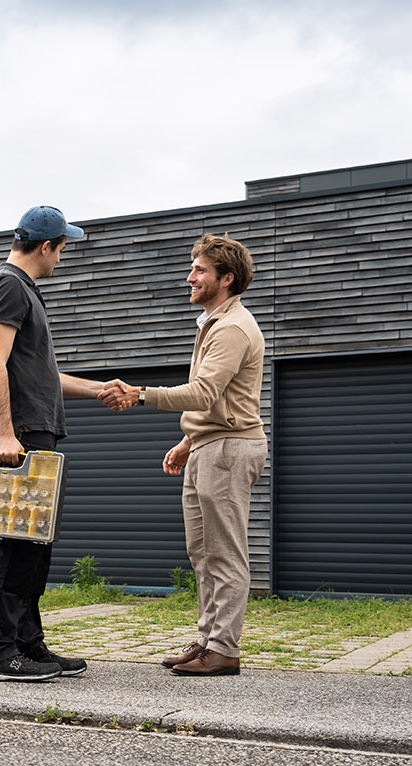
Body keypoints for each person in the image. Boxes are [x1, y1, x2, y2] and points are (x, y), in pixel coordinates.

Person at [99, 234, 266, 676]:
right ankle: (209, 639)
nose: (189, 277)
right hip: (210, 445)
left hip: (230, 449)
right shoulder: (213, 322)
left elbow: (205, 391)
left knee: (225, 552)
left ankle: (224, 649)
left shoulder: (231, 327)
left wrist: (139, 394)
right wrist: (189, 440)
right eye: (192, 268)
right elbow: (218, 400)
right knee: (203, 551)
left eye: (199, 270)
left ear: (226, 279)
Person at [0, 205, 109, 682]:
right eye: (62, 247)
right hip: (22, 434)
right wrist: (6, 433)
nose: (62, 257)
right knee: (16, 544)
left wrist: (96, 389)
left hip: (35, 429)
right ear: (47, 246)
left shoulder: (23, 290)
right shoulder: (8, 286)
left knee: (36, 544)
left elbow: (40, 373)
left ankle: (27, 641)